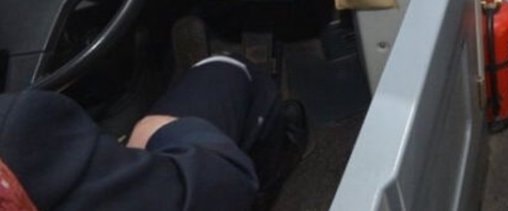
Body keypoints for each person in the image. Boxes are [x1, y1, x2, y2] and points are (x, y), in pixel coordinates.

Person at [0, 54, 303, 210]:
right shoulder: (18, 132)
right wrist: (164, 132)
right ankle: (269, 175)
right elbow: (219, 191)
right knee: (227, 69)